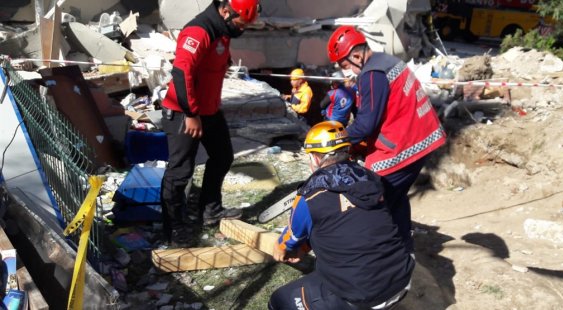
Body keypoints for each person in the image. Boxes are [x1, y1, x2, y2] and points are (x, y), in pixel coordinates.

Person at [270, 121, 414, 310]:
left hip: (362, 295)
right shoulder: (373, 179)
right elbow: (348, 224)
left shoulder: (309, 197)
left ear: (315, 158)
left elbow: (290, 239)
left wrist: (281, 249)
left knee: (278, 301)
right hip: (402, 279)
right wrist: (306, 246)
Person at [327, 26, 447, 252]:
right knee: (396, 197)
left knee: (375, 199)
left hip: (404, 143)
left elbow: (365, 124)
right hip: (421, 135)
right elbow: (381, 112)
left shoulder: (372, 74)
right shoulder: (384, 61)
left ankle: (378, 252)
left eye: (344, 66)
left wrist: (336, 140)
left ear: (356, 55)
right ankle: (403, 245)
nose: (345, 72)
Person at [160, 0, 261, 246]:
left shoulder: (223, 32)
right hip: (185, 111)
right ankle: (175, 227)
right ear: (225, 11)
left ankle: (209, 209)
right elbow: (181, 73)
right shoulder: (198, 31)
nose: (242, 28)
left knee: (223, 156)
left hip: (209, 110)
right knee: (180, 171)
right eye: (241, 22)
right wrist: (191, 114)